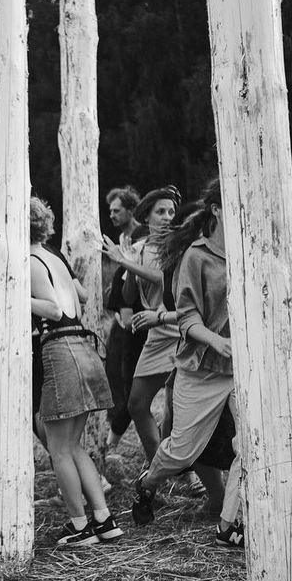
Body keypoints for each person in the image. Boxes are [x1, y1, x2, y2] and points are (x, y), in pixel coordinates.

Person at [130, 180, 246, 547]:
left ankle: (230, 524)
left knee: (252, 443)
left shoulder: (250, 252)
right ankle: (147, 484)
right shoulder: (196, 256)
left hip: (243, 371)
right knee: (181, 452)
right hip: (202, 369)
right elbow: (186, 317)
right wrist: (216, 341)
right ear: (215, 210)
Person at [30, 197, 121, 546]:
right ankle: (104, 519)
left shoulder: (31, 262)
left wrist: (11, 293)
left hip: (58, 348)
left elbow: (52, 310)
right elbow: (81, 295)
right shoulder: (53, 257)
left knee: (59, 449)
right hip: (83, 346)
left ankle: (79, 525)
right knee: (74, 445)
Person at [102, 188, 180, 459]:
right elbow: (128, 297)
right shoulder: (139, 248)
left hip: (180, 329)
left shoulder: (179, 246)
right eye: (160, 212)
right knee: (136, 404)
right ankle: (157, 465)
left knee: (176, 406)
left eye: (171, 212)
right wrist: (130, 267)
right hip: (155, 333)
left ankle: (187, 471)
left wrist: (125, 262)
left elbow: (163, 279)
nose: (167, 217)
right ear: (146, 216)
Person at [102, 187, 146, 441]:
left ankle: (116, 432)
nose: (112, 215)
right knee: (113, 376)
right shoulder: (121, 238)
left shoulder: (142, 236)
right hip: (121, 321)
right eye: (110, 211)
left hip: (138, 320)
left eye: (117, 210)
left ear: (131, 210)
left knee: (132, 387)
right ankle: (114, 429)